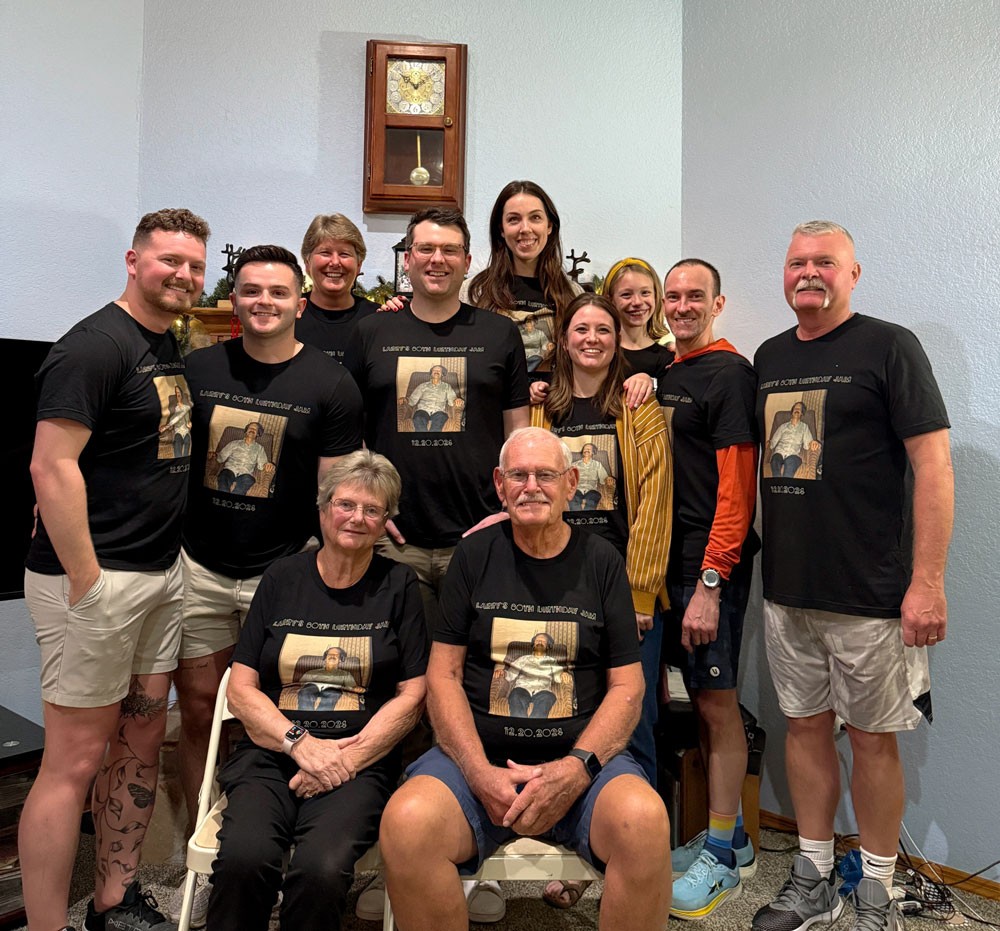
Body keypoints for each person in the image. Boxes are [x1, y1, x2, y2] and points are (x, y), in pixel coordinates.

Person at [379, 428, 672, 931]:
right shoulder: (473, 558)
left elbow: (628, 687)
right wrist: (477, 771)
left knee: (645, 823)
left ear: (572, 482)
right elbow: (444, 674)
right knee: (407, 824)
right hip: (480, 761)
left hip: (583, 764)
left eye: (546, 475)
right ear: (499, 483)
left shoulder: (603, 562)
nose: (531, 486)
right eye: (518, 474)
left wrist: (577, 768)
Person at [752, 222, 953, 931]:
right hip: (787, 590)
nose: (809, 273)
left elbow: (933, 464)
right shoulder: (769, 357)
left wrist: (926, 581)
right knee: (803, 729)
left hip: (871, 596)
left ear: (854, 272)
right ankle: (812, 876)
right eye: (797, 262)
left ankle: (876, 892)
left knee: (873, 738)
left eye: (824, 262)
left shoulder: (890, 346)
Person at [22, 207, 210, 931]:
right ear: (133, 261)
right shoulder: (93, 346)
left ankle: (114, 897)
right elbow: (50, 463)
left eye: (194, 265)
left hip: (158, 578)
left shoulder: (164, 345)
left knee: (137, 741)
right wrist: (87, 581)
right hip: (97, 583)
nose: (184, 275)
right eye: (169, 261)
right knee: (71, 762)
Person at [170, 244, 363, 926]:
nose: (263, 302)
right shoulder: (196, 370)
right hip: (199, 563)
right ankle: (209, 833)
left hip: (280, 572)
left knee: (281, 712)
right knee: (199, 706)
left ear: (299, 301)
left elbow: (337, 489)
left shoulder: (330, 384)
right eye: (250, 291)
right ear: (234, 299)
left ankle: (275, 837)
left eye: (278, 292)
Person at [206, 450, 427, 931]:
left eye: (373, 510)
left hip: (358, 763)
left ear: (386, 521)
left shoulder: (399, 585)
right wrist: (300, 745)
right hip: (271, 753)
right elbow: (242, 690)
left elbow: (412, 697)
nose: (357, 518)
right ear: (324, 507)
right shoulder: (283, 577)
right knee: (245, 860)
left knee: (321, 870)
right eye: (347, 504)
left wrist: (342, 760)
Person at [529, 291, 672, 909]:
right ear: (563, 338)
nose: (592, 338)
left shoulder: (639, 406)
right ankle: (575, 842)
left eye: (603, 330)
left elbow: (655, 499)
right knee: (572, 710)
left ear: (619, 339)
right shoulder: (544, 410)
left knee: (632, 722)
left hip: (622, 584)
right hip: (556, 582)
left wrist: (641, 591)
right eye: (580, 329)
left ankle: (631, 860)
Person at [344, 205, 530, 632]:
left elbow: (517, 434)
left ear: (467, 262)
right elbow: (349, 434)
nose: (437, 259)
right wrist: (367, 506)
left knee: (474, 668)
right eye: (425, 248)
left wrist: (508, 509)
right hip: (393, 540)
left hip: (480, 533)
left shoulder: (499, 334)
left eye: (450, 250)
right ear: (407, 259)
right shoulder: (372, 333)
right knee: (403, 670)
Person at [656, 259, 760, 919]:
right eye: (675, 295)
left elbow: (738, 487)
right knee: (696, 696)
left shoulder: (730, 374)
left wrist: (711, 582)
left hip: (707, 561)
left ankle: (721, 859)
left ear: (717, 303)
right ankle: (735, 836)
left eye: (696, 295)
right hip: (666, 559)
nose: (683, 304)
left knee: (719, 705)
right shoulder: (668, 371)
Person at [462, 180, 580, 372]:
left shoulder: (573, 294)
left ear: (549, 226)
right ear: (501, 229)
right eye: (514, 219)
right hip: (495, 401)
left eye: (535, 218)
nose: (525, 228)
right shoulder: (473, 291)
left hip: (555, 400)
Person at [295, 213, 379, 361]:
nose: (335, 262)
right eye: (325, 253)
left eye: (344, 254)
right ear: (307, 263)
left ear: (358, 265)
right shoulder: (289, 316)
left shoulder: (377, 318)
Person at [602, 256, 674, 384]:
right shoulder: (600, 353)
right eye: (626, 294)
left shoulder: (667, 359)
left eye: (645, 293)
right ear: (610, 300)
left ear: (656, 296)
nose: (637, 302)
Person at [495, 631, 571, 718]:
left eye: (543, 641)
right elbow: (511, 674)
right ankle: (520, 726)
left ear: (547, 646)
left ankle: (535, 726)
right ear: (533, 643)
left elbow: (558, 675)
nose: (540, 642)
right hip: (522, 689)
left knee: (547, 698)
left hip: (543, 691)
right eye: (538, 640)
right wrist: (503, 673)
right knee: (515, 696)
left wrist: (563, 675)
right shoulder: (523, 659)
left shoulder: (552, 661)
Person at [214, 421, 272, 494]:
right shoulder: (234, 443)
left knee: (249, 480)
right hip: (229, 470)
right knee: (223, 477)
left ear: (257, 433)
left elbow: (262, 466)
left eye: (255, 429)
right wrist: (214, 455)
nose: (252, 430)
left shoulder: (260, 448)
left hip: (246, 474)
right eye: (250, 428)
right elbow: (220, 458)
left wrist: (267, 464)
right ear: (246, 431)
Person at [402, 363, 463, 432]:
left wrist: (457, 400)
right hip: (423, 410)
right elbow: (412, 400)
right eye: (434, 370)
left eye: (439, 371)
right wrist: (405, 399)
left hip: (439, 411)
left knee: (439, 420)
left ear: (442, 374)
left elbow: (452, 401)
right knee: (418, 418)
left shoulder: (447, 386)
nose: (436, 372)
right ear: (431, 373)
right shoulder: (422, 386)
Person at [767, 400, 820, 477]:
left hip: (793, 455)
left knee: (790, 464)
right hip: (779, 453)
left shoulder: (804, 427)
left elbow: (807, 444)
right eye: (795, 408)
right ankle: (777, 483)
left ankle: (787, 484)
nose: (797, 410)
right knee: (775, 460)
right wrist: (769, 443)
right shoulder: (783, 426)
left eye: (799, 409)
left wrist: (813, 442)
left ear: (801, 413)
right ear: (792, 412)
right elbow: (773, 443)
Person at [570, 442, 612, 511]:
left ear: (593, 452)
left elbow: (604, 478)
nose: (586, 450)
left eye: (589, 449)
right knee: (573, 499)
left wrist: (608, 478)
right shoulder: (574, 465)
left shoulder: (597, 464)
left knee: (594, 497)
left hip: (591, 490)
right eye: (585, 449)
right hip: (577, 489)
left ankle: (586, 512)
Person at [161, 383, 193, 458]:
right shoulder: (173, 408)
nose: (177, 394)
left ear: (181, 394)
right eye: (176, 393)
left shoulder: (187, 407)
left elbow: (184, 417)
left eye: (178, 392)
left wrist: (190, 424)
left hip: (186, 431)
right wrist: (169, 426)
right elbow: (173, 418)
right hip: (178, 431)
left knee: (187, 442)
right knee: (177, 444)